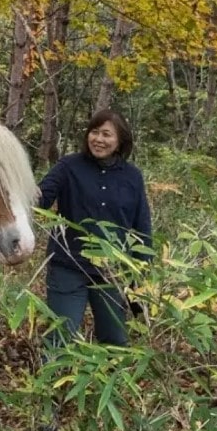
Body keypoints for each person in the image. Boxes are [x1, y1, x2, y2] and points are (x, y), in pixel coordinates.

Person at [37, 109, 153, 351]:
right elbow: (40, 198)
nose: (98, 139)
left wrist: (142, 276)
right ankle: (48, 386)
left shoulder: (132, 176)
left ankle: (113, 385)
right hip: (69, 265)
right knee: (60, 337)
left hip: (111, 271)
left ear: (120, 140)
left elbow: (141, 227)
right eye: (94, 132)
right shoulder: (69, 166)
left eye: (106, 134)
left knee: (115, 340)